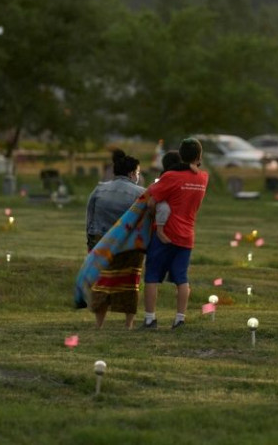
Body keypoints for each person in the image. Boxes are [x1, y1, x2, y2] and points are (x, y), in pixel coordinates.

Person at [142, 138, 208, 329]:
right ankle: (180, 318)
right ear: (199, 156)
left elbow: (152, 201)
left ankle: (150, 319)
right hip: (187, 235)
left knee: (152, 276)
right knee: (181, 278)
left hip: (165, 233)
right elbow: (194, 169)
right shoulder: (203, 178)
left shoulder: (170, 177)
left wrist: (154, 216)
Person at [85, 149, 145, 329]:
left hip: (101, 242)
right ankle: (128, 324)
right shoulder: (140, 192)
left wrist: (90, 243)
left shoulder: (99, 189)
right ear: (132, 173)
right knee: (129, 283)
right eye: (138, 172)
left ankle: (99, 324)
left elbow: (90, 217)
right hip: (129, 245)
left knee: (102, 282)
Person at [155, 150, 190, 244]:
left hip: (164, 203)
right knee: (164, 208)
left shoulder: (167, 174)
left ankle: (160, 230)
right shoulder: (171, 174)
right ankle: (160, 231)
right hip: (165, 204)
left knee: (164, 208)